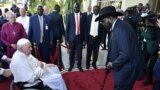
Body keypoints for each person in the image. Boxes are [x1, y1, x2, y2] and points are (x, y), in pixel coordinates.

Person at [95, 6, 145, 90]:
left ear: (110, 18)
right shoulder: (120, 25)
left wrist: (112, 64)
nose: (102, 24)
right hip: (126, 67)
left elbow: (125, 54)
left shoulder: (120, 29)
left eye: (103, 21)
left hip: (126, 70)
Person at [65, 2, 85, 72]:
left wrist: (84, 40)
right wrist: (66, 40)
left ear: (79, 7)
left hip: (80, 38)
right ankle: (71, 65)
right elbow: (67, 28)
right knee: (71, 53)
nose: (76, 8)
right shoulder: (69, 16)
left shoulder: (83, 15)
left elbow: (84, 28)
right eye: (75, 7)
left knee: (80, 53)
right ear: (73, 8)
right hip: (72, 38)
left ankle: (79, 65)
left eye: (77, 7)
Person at [85, 5, 103, 69]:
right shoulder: (88, 17)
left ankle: (94, 64)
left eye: (96, 9)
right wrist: (86, 39)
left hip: (97, 38)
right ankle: (87, 64)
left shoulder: (101, 18)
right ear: (92, 10)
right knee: (88, 52)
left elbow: (103, 30)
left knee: (96, 52)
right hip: (90, 37)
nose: (95, 11)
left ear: (99, 10)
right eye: (94, 9)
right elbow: (86, 28)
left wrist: (102, 40)